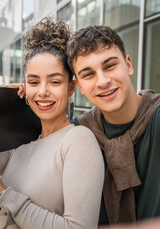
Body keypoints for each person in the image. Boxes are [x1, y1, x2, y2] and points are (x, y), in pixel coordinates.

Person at [0, 18, 105, 229]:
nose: (42, 91)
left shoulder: (77, 140)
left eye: (55, 81)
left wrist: (5, 194)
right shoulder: (21, 142)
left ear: (71, 87)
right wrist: (6, 103)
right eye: (33, 82)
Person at [66, 25, 160, 226]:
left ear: (128, 65)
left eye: (109, 66)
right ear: (79, 86)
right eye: (88, 74)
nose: (103, 81)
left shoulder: (157, 117)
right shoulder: (79, 133)